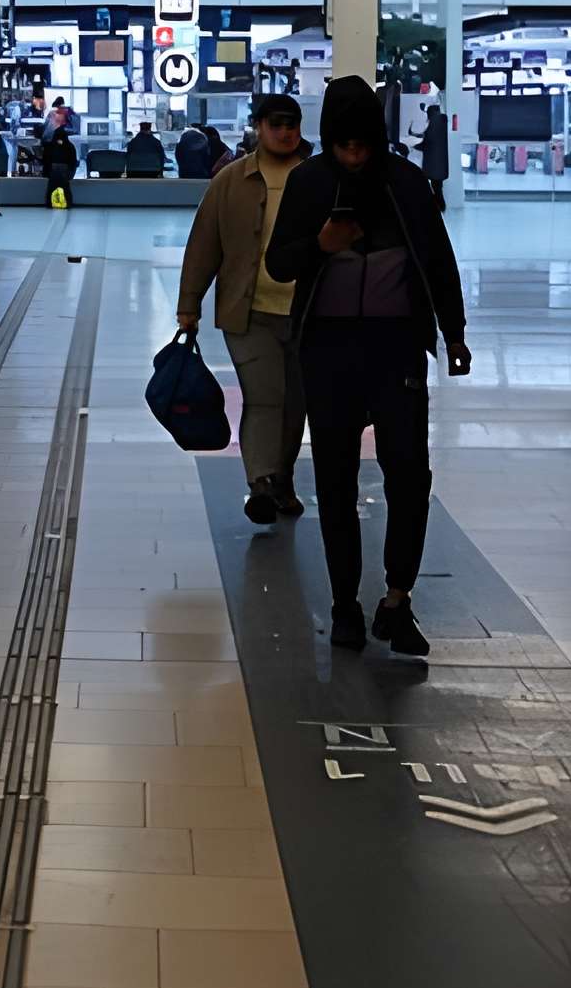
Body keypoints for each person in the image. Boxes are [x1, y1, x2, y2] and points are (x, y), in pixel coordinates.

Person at [264, 75, 470, 657]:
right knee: (334, 483)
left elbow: (438, 260)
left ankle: (397, 600)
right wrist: (322, 245)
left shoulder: (406, 184)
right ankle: (344, 604)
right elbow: (280, 264)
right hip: (327, 350)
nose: (354, 157)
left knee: (410, 475)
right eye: (343, 147)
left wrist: (453, 335)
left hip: (395, 348)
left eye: (363, 146)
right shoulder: (308, 184)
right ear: (329, 141)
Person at [179, 92, 315, 526]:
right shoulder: (232, 181)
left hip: (311, 313)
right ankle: (261, 481)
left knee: (296, 403)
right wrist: (189, 305)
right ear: (258, 126)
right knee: (263, 399)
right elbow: (204, 245)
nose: (284, 131)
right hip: (248, 311)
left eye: (291, 123)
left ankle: (283, 479)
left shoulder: (317, 178)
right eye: (275, 124)